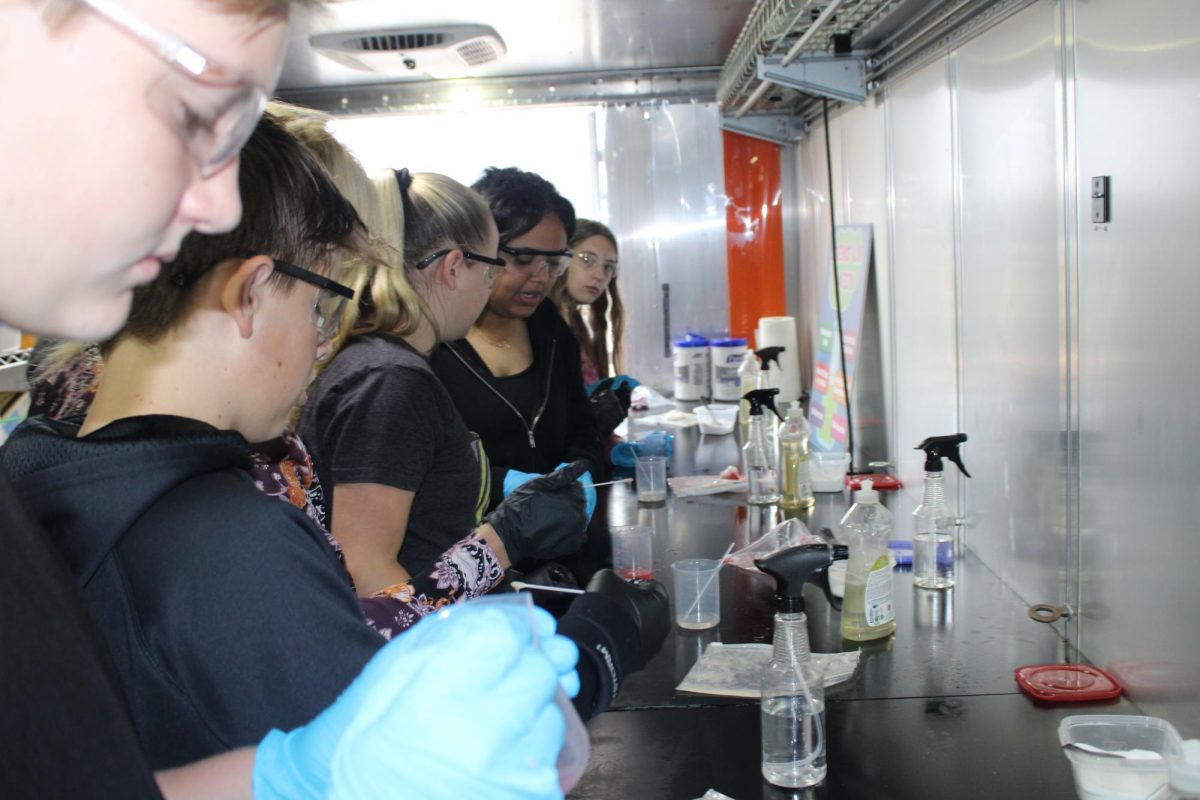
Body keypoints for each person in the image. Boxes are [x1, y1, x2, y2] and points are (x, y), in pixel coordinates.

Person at [0, 47, 569, 793]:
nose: (325, 340)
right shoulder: (238, 543)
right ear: (251, 290)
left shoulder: (34, 469)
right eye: (321, 308)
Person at [299, 168, 670, 715]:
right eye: (501, 261)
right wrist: (478, 687)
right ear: (455, 266)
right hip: (426, 684)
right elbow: (370, 579)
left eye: (553, 262)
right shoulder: (390, 381)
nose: (538, 279)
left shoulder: (394, 367)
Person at [430, 167, 606, 511]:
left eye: (554, 263)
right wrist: (500, 485)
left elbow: (582, 428)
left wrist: (580, 469)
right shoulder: (434, 345)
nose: (540, 277)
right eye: (523, 259)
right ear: (473, 251)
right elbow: (423, 470)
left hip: (558, 537)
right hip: (471, 552)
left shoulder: (550, 330)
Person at [551, 218, 638, 439]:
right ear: (563, 257)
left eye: (608, 267)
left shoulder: (578, 327)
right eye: (588, 260)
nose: (599, 275)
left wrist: (613, 444)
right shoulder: (547, 327)